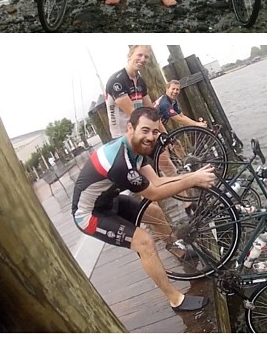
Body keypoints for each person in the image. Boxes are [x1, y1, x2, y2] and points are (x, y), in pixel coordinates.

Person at [72, 107, 215, 312]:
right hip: (89, 215)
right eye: (145, 130)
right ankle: (175, 299)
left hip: (108, 201)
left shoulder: (136, 150)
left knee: (155, 213)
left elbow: (158, 181)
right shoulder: (119, 162)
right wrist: (192, 179)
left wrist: (192, 176)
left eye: (155, 132)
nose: (151, 137)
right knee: (144, 242)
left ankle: (176, 249)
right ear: (130, 127)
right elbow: (155, 193)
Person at [105, 45, 156, 140]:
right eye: (139, 55)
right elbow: (134, 115)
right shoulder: (117, 81)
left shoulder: (140, 81)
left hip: (140, 130)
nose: (142, 59)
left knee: (165, 148)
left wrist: (167, 137)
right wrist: (157, 133)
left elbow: (151, 111)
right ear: (129, 56)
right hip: (122, 136)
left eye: (146, 57)